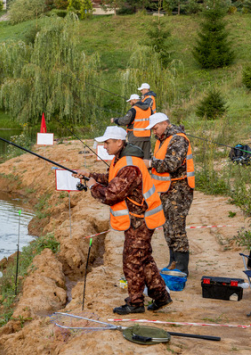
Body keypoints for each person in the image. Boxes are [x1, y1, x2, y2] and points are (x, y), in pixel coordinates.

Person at [73, 126, 172, 315]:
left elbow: (111, 194)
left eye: (107, 142)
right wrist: (90, 175)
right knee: (143, 258)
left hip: (140, 219)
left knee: (132, 261)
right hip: (140, 218)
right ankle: (161, 297)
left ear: (119, 142)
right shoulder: (122, 159)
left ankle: (135, 304)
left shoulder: (129, 166)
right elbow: (112, 178)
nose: (104, 146)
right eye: (104, 142)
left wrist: (93, 186)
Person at [146, 113, 195, 276]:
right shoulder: (162, 140)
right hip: (166, 189)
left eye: (155, 128)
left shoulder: (177, 139)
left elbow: (172, 164)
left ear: (164, 124)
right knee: (168, 227)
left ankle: (182, 266)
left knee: (176, 227)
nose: (154, 132)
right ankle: (173, 261)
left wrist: (150, 162)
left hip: (180, 190)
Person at [111, 94, 152, 159]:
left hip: (136, 137)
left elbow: (125, 121)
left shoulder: (134, 109)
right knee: (146, 158)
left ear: (134, 100)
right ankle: (145, 169)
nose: (130, 103)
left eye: (130, 101)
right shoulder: (149, 109)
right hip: (147, 136)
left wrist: (115, 120)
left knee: (135, 157)